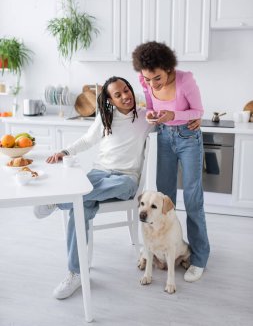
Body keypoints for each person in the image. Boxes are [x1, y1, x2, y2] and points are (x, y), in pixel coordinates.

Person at [34, 76, 152, 300]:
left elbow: (168, 118)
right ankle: (76, 274)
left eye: (126, 90)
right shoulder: (106, 117)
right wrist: (65, 152)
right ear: (110, 99)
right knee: (81, 206)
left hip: (125, 180)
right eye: (118, 94)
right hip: (99, 174)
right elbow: (87, 140)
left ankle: (57, 200)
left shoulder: (146, 117)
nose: (125, 96)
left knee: (108, 187)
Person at [132, 41, 210, 283]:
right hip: (165, 137)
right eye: (147, 79)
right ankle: (158, 250)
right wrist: (153, 115)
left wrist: (174, 115)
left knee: (193, 200)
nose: (152, 83)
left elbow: (198, 111)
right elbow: (151, 109)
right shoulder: (145, 81)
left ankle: (199, 258)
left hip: (188, 138)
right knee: (163, 201)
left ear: (168, 68)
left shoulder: (185, 80)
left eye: (157, 78)